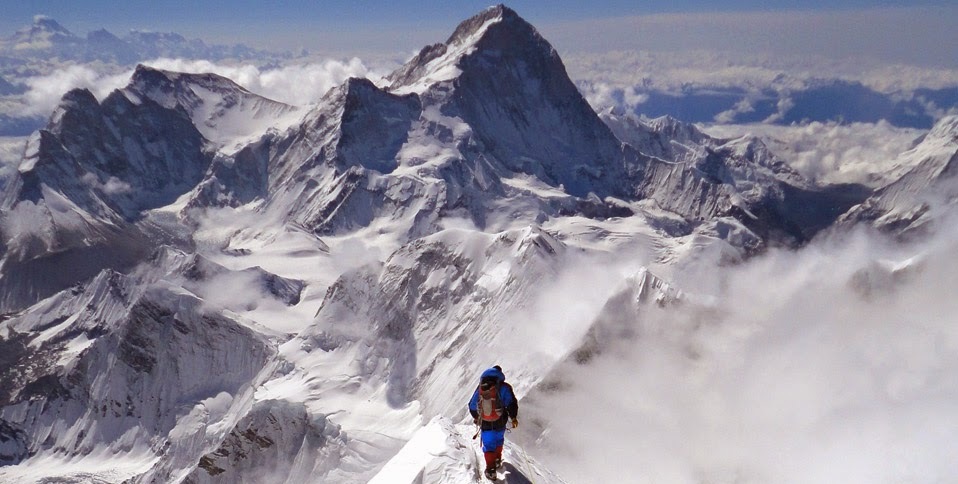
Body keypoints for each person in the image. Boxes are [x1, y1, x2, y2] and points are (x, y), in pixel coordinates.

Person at [468, 365, 518, 480]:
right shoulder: (504, 387)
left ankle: (491, 470)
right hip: (501, 421)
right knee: (499, 440)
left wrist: (478, 418)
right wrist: (513, 417)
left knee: (489, 445)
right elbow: (511, 403)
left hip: (485, 423)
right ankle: (497, 460)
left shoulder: (481, 388)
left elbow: (471, 405)